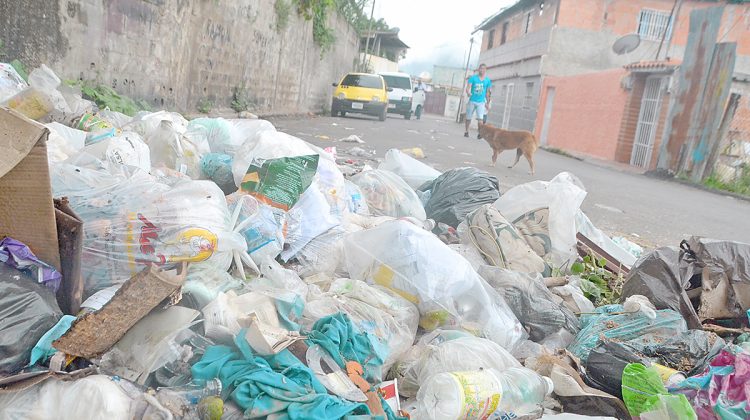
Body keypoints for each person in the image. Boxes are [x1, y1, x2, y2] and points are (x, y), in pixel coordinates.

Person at [464, 64, 492, 138]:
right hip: (472, 100)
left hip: (481, 102)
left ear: (485, 70)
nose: (482, 70)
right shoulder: (473, 78)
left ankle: (480, 133)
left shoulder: (487, 80)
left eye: (483, 69)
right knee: (468, 118)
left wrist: (488, 102)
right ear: (478, 69)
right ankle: (466, 131)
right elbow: (468, 87)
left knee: (480, 119)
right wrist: (468, 92)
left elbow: (487, 92)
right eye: (480, 68)